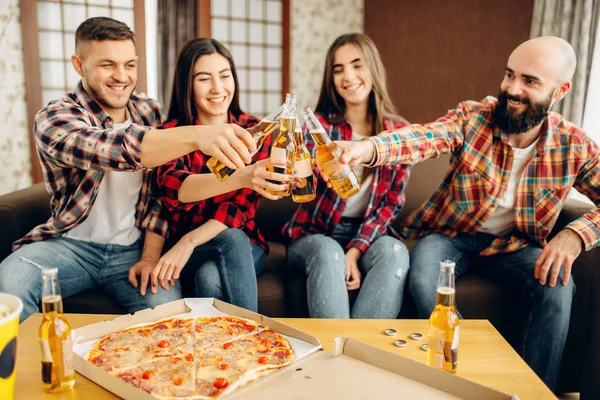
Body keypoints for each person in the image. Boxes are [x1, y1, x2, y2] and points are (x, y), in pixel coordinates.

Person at [333, 36, 600, 390]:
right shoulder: (474, 117)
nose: (512, 89)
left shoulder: (576, 146)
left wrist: (575, 234)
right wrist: (367, 147)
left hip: (516, 247)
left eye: (530, 81)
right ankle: (471, 381)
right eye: (509, 75)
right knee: (426, 277)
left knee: (558, 286)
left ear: (561, 90)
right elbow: (422, 138)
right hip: (449, 238)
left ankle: (536, 392)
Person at [0, 17, 258, 322]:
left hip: (134, 252)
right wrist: (198, 135)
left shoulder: (150, 110)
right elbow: (111, 149)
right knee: (10, 283)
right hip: (69, 246)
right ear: (79, 65)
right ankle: (30, 368)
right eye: (107, 65)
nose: (121, 76)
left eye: (130, 65)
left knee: (172, 320)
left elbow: (161, 194)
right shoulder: (55, 118)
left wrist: (150, 256)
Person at [151, 38, 292, 312]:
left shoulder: (253, 130)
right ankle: (252, 341)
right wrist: (241, 176)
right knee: (222, 249)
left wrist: (188, 241)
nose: (218, 88)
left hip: (243, 245)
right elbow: (174, 189)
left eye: (225, 76)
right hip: (188, 248)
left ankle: (232, 348)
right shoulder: (170, 134)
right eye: (204, 79)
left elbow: (238, 209)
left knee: (216, 266)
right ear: (187, 85)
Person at [283, 33, 411, 319]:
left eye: (357, 65)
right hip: (314, 234)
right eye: (338, 69)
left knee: (395, 253)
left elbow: (390, 205)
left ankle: (365, 352)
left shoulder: (397, 133)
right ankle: (335, 356)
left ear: (373, 69)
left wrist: (355, 250)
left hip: (369, 233)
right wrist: (301, 173)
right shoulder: (318, 128)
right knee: (329, 253)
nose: (348, 76)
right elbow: (306, 183)